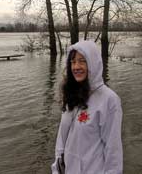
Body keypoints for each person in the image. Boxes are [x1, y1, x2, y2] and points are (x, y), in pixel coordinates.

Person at [51, 40, 123, 174]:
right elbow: (61, 139)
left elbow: (113, 150)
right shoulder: (72, 95)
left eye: (82, 61)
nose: (76, 66)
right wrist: (56, 167)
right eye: (72, 62)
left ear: (93, 63)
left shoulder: (109, 100)